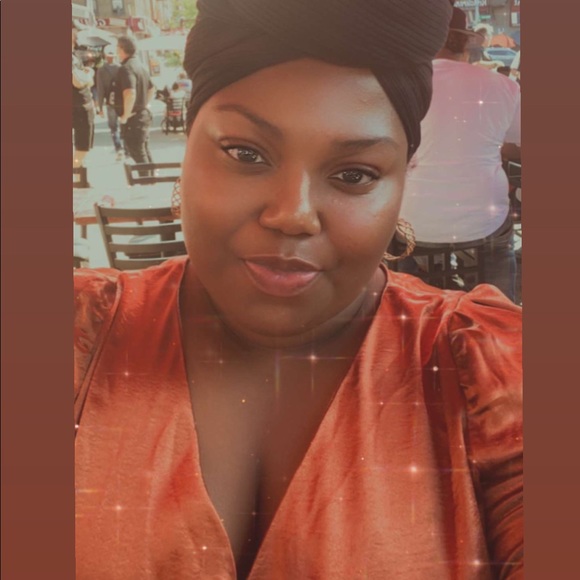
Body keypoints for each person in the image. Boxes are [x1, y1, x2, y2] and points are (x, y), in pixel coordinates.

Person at [74, 1, 522, 578]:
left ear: (401, 181)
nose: (293, 214)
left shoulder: (489, 370)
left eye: (354, 174)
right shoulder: (76, 333)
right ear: (186, 144)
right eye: (245, 153)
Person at [399, 7, 521, 302]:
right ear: (467, 42)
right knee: (497, 257)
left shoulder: (402, 85)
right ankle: (499, 311)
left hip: (415, 222)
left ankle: (412, 302)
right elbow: (516, 144)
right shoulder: (504, 86)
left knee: (402, 260)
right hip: (485, 220)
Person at [114, 35, 155, 164]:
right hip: (142, 114)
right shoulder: (140, 65)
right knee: (143, 150)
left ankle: (147, 176)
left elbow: (130, 92)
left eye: (117, 47)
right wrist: (144, 104)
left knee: (137, 152)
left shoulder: (126, 68)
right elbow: (151, 89)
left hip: (134, 118)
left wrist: (125, 116)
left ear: (121, 49)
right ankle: (151, 175)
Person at [96, 44, 126, 161]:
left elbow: (100, 90)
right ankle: (127, 149)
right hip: (122, 101)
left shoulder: (101, 70)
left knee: (114, 128)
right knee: (124, 124)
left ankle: (119, 149)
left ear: (105, 55)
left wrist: (100, 108)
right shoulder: (121, 68)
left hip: (110, 102)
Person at [72, 26, 95, 168]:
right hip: (79, 107)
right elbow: (78, 82)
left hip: (80, 105)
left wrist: (86, 76)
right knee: (83, 146)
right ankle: (75, 171)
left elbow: (86, 82)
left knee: (82, 146)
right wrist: (89, 74)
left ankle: (78, 174)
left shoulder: (75, 57)